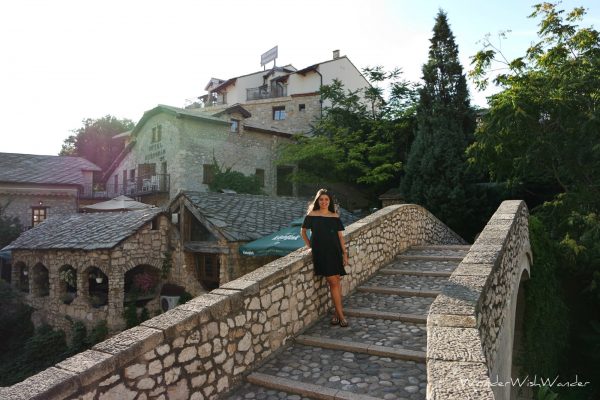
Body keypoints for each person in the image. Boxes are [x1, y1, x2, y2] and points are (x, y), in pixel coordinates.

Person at [301, 189, 349, 327]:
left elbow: (340, 236)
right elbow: (303, 232)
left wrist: (344, 254)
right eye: (321, 199)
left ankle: (336, 314)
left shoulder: (334, 216)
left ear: (330, 201)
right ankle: (341, 316)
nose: (323, 202)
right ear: (317, 201)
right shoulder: (312, 215)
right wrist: (309, 246)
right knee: (334, 282)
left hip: (335, 252)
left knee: (336, 281)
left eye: (326, 199)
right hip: (321, 252)